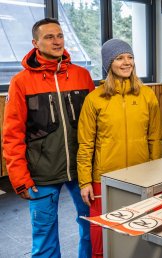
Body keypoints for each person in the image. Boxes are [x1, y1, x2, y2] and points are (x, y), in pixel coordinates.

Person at [2, 18, 94, 258]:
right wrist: (19, 178)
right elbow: (12, 135)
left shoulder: (82, 76)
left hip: (81, 170)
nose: (57, 41)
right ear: (35, 42)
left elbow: (95, 125)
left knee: (91, 229)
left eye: (60, 36)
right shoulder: (20, 82)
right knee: (44, 237)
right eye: (49, 37)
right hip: (41, 172)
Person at [77, 38, 162, 257]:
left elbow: (155, 138)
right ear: (108, 64)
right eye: (119, 58)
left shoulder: (147, 96)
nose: (127, 63)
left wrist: (155, 175)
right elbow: (85, 144)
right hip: (103, 178)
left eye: (130, 57)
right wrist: (85, 181)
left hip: (140, 176)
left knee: (136, 229)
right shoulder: (94, 99)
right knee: (100, 233)